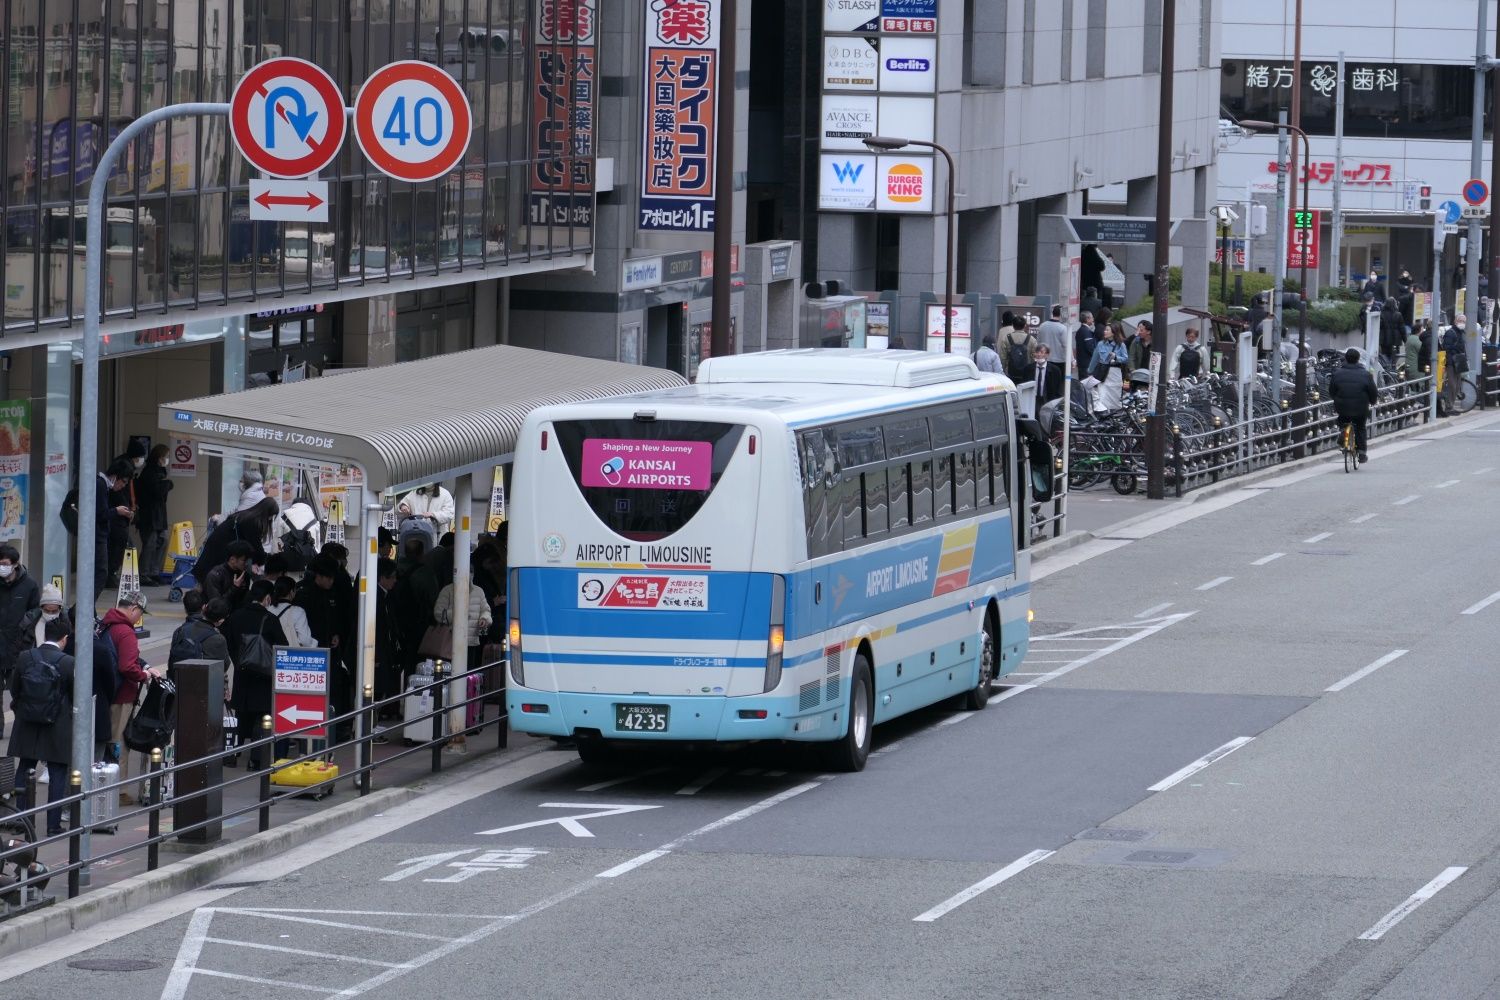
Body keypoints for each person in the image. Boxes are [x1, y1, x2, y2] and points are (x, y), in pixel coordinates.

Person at [7, 618, 75, 836]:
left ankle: (21, 820)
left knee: (25, 769)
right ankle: (53, 825)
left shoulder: (26, 657)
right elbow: (74, 696)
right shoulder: (67, 662)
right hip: (57, 725)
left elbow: (15, 689)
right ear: (64, 639)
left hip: (27, 723)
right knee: (57, 773)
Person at [100, 592, 163, 804]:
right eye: (140, 613)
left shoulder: (105, 624)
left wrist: (144, 664)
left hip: (105, 693)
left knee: (104, 741)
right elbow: (126, 665)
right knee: (118, 743)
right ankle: (117, 792)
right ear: (134, 608)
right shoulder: (126, 632)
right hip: (121, 695)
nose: (139, 618)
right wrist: (143, 675)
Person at [222, 579, 289, 770]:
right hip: (264, 676)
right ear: (267, 597)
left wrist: (238, 659)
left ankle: (233, 754)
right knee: (263, 716)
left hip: (242, 674)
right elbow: (282, 647)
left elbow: (228, 642)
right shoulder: (270, 620)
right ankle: (256, 759)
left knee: (242, 715)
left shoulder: (235, 617)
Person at [433, 573, 491, 755]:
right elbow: (438, 613)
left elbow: (486, 610)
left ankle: (469, 719)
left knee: (470, 682)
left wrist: (485, 619)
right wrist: (459, 613)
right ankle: (451, 720)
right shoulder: (448, 591)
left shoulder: (479, 591)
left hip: (472, 641)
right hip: (452, 643)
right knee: (453, 681)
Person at [196, 497, 278, 581]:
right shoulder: (252, 521)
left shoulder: (246, 515)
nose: (271, 518)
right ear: (266, 512)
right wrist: (262, 560)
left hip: (218, 547)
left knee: (211, 578)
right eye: (271, 515)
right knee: (212, 580)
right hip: (220, 550)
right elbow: (255, 545)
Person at [105, 440, 145, 587]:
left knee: (121, 545)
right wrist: (125, 509)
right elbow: (121, 493)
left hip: (121, 513)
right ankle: (111, 574)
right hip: (118, 516)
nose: (124, 484)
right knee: (121, 545)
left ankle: (112, 574)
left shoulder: (126, 466)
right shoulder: (123, 468)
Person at [0, 544, 41, 689]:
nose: (1, 567)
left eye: (4, 564)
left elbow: (36, 610)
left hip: (18, 648)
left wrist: (25, 623)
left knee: (19, 693)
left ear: (15, 564)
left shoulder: (29, 585)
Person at [167, 590, 231, 683]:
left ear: (205, 608)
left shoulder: (179, 631)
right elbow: (224, 665)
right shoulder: (218, 638)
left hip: (179, 684)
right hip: (203, 687)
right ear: (221, 621)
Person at [1329, 347, 1378, 461]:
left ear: (1345, 358)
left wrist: (1336, 399)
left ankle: (1343, 431)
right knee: (1360, 427)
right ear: (1358, 359)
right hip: (1360, 408)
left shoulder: (1337, 374)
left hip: (1342, 406)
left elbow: (1331, 391)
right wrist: (1373, 401)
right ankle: (1361, 453)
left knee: (1342, 420)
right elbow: (1373, 392)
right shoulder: (1366, 375)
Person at [95, 460, 135, 599]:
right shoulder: (100, 485)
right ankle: (83, 610)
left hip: (100, 536)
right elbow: (100, 514)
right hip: (98, 537)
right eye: (123, 481)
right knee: (101, 574)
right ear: (115, 476)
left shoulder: (103, 486)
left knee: (100, 574)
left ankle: (87, 610)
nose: (123, 486)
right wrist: (116, 511)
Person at [135, 444, 172, 586]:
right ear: (159, 457)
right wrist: (168, 484)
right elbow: (156, 492)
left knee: (162, 541)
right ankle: (144, 574)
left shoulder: (160, 472)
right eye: (166, 457)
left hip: (159, 515)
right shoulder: (149, 472)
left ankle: (154, 572)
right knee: (150, 543)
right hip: (149, 515)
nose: (167, 459)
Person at [374, 558, 402, 719]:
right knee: (376, 689)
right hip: (379, 651)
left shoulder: (384, 596)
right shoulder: (377, 598)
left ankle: (372, 725)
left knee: (380, 688)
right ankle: (369, 727)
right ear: (382, 578)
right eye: (392, 577)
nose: (395, 581)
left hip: (384, 650)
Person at [14, 584, 69, 667]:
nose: (50, 614)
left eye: (54, 611)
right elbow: (19, 647)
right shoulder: (29, 622)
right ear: (41, 608)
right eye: (47, 610)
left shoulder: (67, 623)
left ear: (60, 608)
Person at [1086, 322, 1130, 413]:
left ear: (1113, 332)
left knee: (1115, 398)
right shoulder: (1100, 344)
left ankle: (1116, 416)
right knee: (1102, 397)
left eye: (1107, 330)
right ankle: (1105, 417)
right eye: (1105, 330)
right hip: (1103, 374)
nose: (1104, 332)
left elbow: (1126, 359)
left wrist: (1116, 357)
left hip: (1115, 374)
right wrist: (1089, 371)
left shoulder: (1121, 345)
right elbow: (1095, 359)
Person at [201, 540, 255, 610]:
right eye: (244, 560)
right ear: (232, 559)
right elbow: (217, 605)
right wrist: (235, 587)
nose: (247, 563)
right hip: (218, 617)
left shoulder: (244, 574)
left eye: (249, 560)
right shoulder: (215, 575)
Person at [268, 576, 315, 648]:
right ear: (291, 592)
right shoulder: (298, 611)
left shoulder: (267, 609)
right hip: (289, 655)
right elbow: (305, 640)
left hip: (269, 654)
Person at [1440, 316, 1469, 416]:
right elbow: (1446, 348)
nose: (1462, 323)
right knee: (1452, 385)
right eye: (1460, 321)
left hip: (1458, 363)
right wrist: (1448, 362)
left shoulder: (1460, 333)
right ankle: (1449, 406)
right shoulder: (1451, 333)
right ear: (1455, 321)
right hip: (1451, 362)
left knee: (1457, 386)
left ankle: (1450, 406)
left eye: (1464, 321)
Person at [1035, 306, 1071, 380]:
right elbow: (1066, 345)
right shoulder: (1062, 328)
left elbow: (1038, 342)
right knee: (1058, 383)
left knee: (1045, 381)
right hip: (1059, 360)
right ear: (1061, 315)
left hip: (1044, 359)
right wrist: (1072, 360)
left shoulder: (1042, 325)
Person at [1029, 344, 1064, 415]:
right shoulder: (1028, 369)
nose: (1039, 354)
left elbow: (1058, 389)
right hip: (1032, 400)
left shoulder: (1055, 370)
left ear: (1047, 355)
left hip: (1047, 400)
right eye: (1037, 352)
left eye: (1042, 352)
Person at [1001, 315, 1036, 381]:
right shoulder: (1032, 339)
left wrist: (1003, 372)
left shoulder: (1006, 338)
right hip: (1027, 373)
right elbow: (1034, 358)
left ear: (1013, 326)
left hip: (1011, 373)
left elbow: (1003, 358)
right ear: (1024, 325)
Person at [1379, 297, 1404, 363]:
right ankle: (1392, 369)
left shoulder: (1381, 314)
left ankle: (1387, 367)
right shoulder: (1398, 315)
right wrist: (1405, 340)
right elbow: (1402, 329)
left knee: (1385, 356)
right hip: (1395, 340)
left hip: (1384, 340)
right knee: (1395, 356)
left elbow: (1379, 327)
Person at [1074, 311, 1097, 375]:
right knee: (1086, 382)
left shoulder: (1080, 330)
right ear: (1087, 319)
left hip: (1082, 362)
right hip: (1086, 363)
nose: (1093, 319)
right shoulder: (1086, 331)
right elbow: (1090, 347)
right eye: (1092, 317)